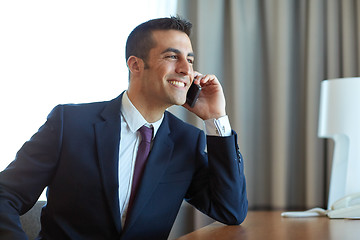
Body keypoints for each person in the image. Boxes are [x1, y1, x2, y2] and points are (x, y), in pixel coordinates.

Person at [0, 16, 247, 240]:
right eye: (173, 56)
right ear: (135, 65)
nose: (186, 69)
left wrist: (216, 118)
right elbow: (5, 195)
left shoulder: (186, 140)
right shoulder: (69, 124)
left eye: (190, 59)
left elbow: (231, 210)